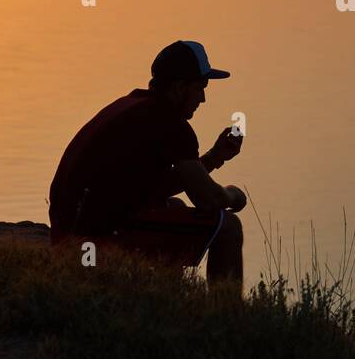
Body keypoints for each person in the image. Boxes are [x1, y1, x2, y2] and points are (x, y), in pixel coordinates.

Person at [48, 40, 247, 293]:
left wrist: (215, 157)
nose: (204, 98)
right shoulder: (171, 123)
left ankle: (164, 300)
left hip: (68, 234)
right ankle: (228, 317)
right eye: (200, 88)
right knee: (228, 227)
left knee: (173, 207)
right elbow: (209, 200)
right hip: (96, 238)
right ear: (179, 87)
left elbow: (154, 187)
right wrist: (234, 196)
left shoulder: (132, 107)